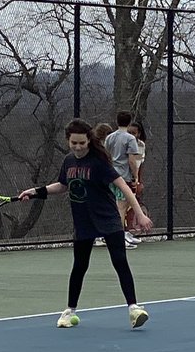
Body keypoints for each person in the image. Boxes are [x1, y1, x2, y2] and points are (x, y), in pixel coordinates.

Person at [19, 118, 152, 330]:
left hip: (108, 220)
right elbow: (63, 185)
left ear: (89, 141)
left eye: (82, 143)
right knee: (79, 266)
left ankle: (134, 309)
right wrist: (36, 192)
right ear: (68, 141)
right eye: (74, 143)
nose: (78, 147)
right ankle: (69, 311)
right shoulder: (69, 161)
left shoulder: (98, 162)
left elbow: (123, 187)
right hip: (83, 222)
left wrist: (139, 213)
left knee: (120, 262)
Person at [103, 111, 144, 250]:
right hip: (123, 177)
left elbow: (105, 155)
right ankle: (119, 239)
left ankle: (116, 236)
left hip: (109, 175)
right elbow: (132, 160)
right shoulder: (130, 139)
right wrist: (136, 176)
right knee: (121, 207)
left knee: (114, 206)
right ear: (129, 121)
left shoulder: (109, 137)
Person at [127, 121, 149, 246]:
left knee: (132, 206)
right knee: (121, 207)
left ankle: (129, 232)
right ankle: (121, 233)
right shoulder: (123, 143)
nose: (131, 135)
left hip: (133, 179)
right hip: (123, 179)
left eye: (133, 133)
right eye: (129, 132)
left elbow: (139, 165)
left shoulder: (141, 145)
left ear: (139, 134)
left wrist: (138, 181)